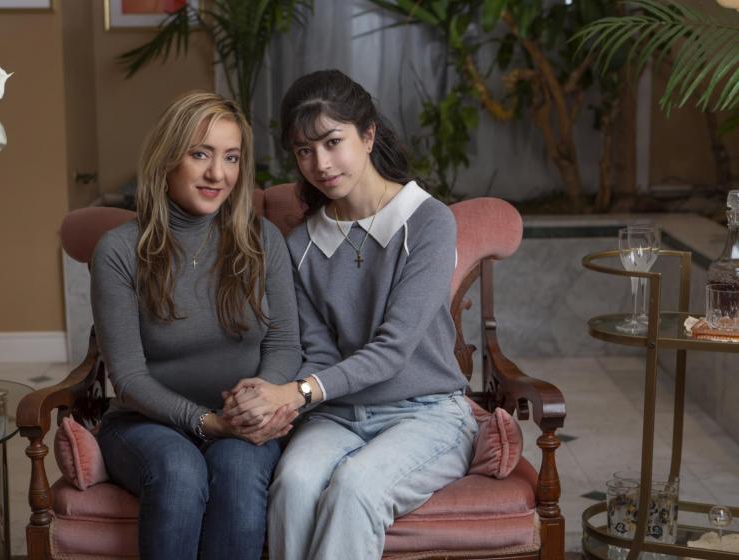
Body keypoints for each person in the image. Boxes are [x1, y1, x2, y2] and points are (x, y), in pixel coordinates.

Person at [223, 69, 478, 560]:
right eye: (304, 150)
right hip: (338, 414)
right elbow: (318, 352)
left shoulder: (428, 221)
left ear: (368, 134)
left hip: (427, 413)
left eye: (332, 142)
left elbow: (393, 350)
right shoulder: (301, 244)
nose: (320, 164)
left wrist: (296, 392)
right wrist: (264, 398)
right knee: (293, 484)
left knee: (355, 488)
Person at [91, 91, 301, 560]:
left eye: (231, 158)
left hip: (244, 425)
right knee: (179, 470)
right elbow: (128, 377)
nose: (217, 174)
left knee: (239, 471)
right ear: (167, 159)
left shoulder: (262, 240)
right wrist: (209, 423)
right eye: (200, 154)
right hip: (145, 425)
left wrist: (260, 400)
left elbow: (285, 343)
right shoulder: (119, 251)